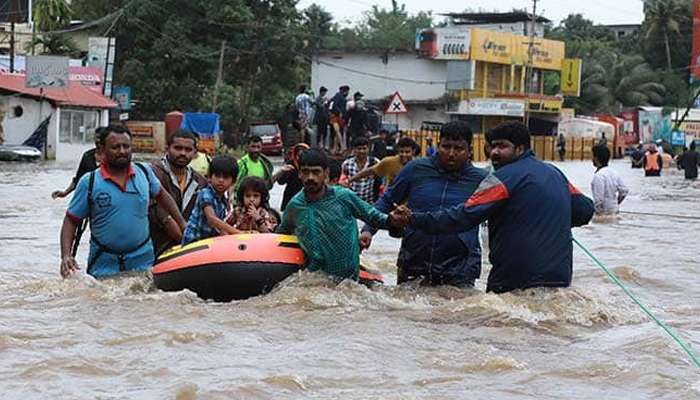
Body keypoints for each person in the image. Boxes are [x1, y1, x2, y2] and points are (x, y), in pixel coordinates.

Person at [392, 121, 595, 294]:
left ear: (521, 148)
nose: (495, 153)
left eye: (502, 147)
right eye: (493, 146)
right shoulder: (555, 174)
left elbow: (463, 217)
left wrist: (413, 219)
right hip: (559, 278)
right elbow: (585, 210)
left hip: (513, 279)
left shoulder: (502, 179)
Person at [360, 121, 488, 287]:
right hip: (414, 261)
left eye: (458, 149)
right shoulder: (416, 169)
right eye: (446, 146)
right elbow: (387, 200)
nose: (451, 153)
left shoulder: (481, 180)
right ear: (438, 145)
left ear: (469, 151)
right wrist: (368, 230)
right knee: (406, 310)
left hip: (460, 269)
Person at [59, 125, 187, 278]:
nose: (122, 151)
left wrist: (182, 223)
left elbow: (163, 196)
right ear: (101, 150)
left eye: (126, 146)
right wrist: (66, 255)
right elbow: (71, 220)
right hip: (103, 263)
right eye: (115, 147)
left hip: (142, 261)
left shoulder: (145, 173)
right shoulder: (90, 182)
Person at [276, 149, 401, 281]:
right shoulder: (295, 206)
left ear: (326, 173)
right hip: (315, 281)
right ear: (299, 174)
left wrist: (391, 220)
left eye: (316, 172)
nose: (310, 177)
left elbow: (372, 216)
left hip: (349, 282)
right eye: (305, 172)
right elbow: (281, 235)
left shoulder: (343, 197)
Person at [149, 129, 208, 256]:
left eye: (188, 150)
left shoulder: (200, 181)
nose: (183, 153)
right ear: (167, 148)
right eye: (178, 148)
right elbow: (160, 213)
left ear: (195, 152)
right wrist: (187, 244)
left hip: (190, 250)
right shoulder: (153, 173)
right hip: (157, 248)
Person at [182, 156, 240, 245]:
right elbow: (212, 219)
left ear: (233, 182)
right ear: (209, 177)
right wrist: (238, 233)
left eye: (226, 177)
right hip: (193, 241)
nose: (221, 180)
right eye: (217, 176)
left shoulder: (223, 201)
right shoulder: (206, 193)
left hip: (207, 241)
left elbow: (219, 227)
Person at [52, 128, 105, 199]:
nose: (98, 140)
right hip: (89, 197)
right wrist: (65, 193)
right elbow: (78, 179)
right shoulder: (87, 156)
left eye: (101, 138)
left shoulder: (112, 157)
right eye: (96, 138)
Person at [347, 136, 419, 188]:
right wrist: (350, 180)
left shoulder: (418, 166)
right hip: (390, 201)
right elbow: (370, 171)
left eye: (407, 152)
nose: (404, 154)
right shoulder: (389, 162)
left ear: (413, 151)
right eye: (401, 152)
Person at [591, 144, 628, 215]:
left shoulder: (598, 176)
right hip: (615, 210)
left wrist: (598, 213)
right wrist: (615, 204)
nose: (591, 159)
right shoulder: (614, 173)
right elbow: (624, 191)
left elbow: (598, 200)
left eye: (592, 156)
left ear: (596, 158)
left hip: (604, 213)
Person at [342, 136, 380, 204]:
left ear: (368, 149)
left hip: (370, 203)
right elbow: (343, 180)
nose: (362, 151)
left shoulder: (375, 162)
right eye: (359, 149)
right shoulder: (347, 164)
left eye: (364, 148)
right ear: (354, 149)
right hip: (352, 202)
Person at [272, 143, 309, 211]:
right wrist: (283, 172)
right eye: (298, 155)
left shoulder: (310, 166)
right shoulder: (290, 165)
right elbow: (281, 182)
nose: (300, 158)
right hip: (290, 196)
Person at [329, 85, 350, 154]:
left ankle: (335, 149)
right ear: (344, 91)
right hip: (336, 116)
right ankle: (342, 146)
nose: (347, 93)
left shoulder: (340, 97)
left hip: (339, 116)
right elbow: (335, 105)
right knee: (337, 131)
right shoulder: (338, 96)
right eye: (347, 91)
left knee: (337, 133)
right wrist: (340, 112)